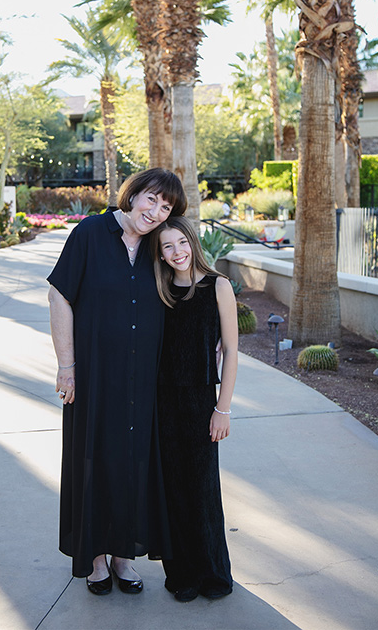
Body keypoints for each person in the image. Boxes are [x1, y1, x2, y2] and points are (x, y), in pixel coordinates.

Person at [47, 168, 186, 594]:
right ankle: (94, 559)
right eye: (151, 200)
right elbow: (59, 295)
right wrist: (67, 365)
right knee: (93, 460)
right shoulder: (90, 233)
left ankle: (124, 557)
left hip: (144, 379)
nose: (155, 212)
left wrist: (219, 337)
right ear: (134, 194)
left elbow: (189, 283)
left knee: (134, 464)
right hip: (93, 375)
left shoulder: (156, 248)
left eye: (165, 208)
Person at [152, 216, 236, 602]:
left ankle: (214, 573)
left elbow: (232, 352)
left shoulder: (218, 286)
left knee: (203, 489)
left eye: (181, 243)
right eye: (167, 247)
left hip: (202, 399)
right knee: (174, 490)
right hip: (162, 401)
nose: (176, 252)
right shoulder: (161, 289)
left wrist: (223, 409)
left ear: (192, 241)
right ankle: (182, 574)